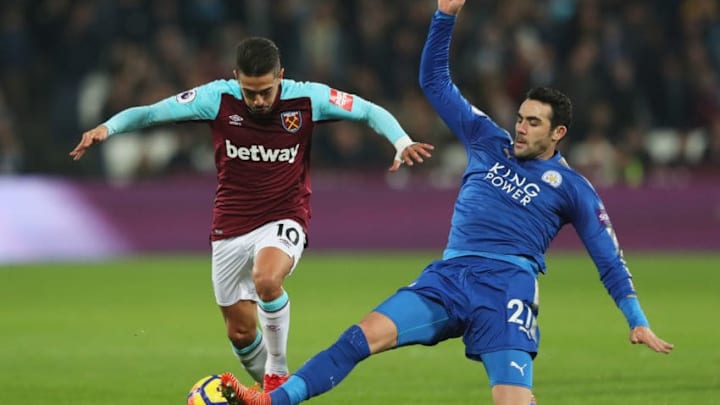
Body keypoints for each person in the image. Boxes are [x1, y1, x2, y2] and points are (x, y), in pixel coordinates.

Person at [216, 1, 674, 404]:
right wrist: (444, 18)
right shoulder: (486, 138)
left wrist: (636, 319)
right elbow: (434, 81)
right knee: (358, 339)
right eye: (520, 118)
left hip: (506, 290)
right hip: (449, 277)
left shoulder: (574, 189)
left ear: (558, 134)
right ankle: (271, 402)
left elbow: (609, 260)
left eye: (533, 123)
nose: (520, 128)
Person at [69, 37, 434, 393]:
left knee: (267, 279)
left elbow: (369, 110)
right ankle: (275, 393)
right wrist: (108, 128)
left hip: (285, 215)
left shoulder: (307, 98)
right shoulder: (217, 98)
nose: (258, 100)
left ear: (281, 77)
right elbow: (151, 113)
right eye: (249, 92)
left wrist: (401, 141)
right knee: (240, 333)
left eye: (265, 91)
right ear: (235, 78)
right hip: (230, 225)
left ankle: (277, 373)